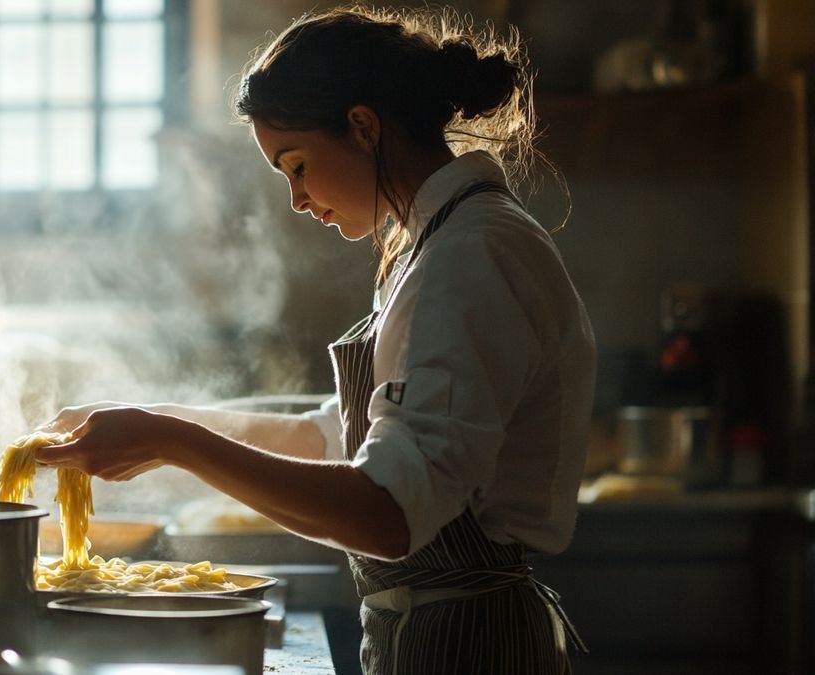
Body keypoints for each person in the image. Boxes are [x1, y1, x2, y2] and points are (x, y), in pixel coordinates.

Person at [35, 5, 596, 674]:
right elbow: (329, 442)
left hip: (469, 643)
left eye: (297, 165)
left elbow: (387, 512)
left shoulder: (469, 257)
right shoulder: (433, 245)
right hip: (430, 628)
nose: (297, 200)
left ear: (362, 127)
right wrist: (153, 423)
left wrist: (168, 441)